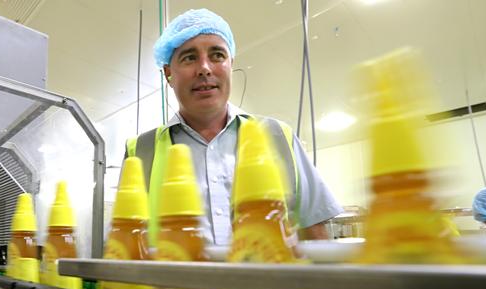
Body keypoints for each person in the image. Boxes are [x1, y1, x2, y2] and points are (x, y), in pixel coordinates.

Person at [126, 8, 342, 246]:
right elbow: (127, 242)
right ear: (168, 73)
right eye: (189, 57)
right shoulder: (141, 151)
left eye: (217, 55)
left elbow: (315, 229)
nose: (205, 68)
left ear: (231, 64)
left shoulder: (279, 136)